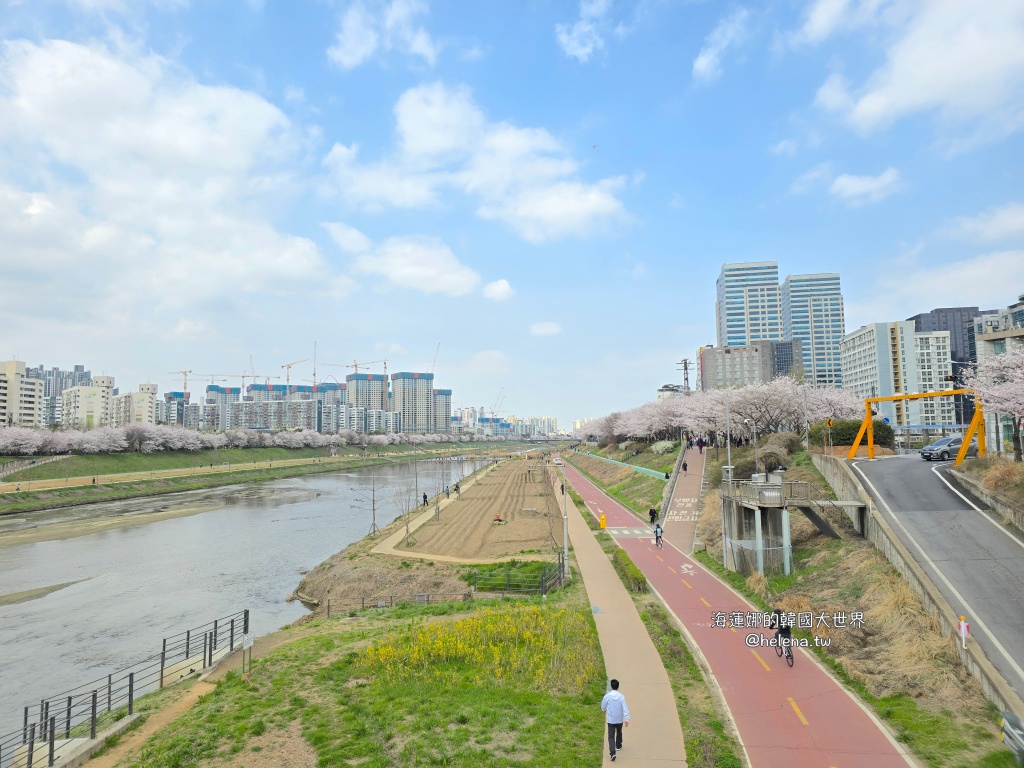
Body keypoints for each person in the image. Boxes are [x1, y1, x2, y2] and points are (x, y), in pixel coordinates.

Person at [601, 679, 630, 761]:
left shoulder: (607, 696)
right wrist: (627, 719)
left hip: (611, 720)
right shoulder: (621, 697)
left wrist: (604, 709)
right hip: (619, 719)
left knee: (611, 736)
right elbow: (625, 708)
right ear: (618, 687)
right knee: (619, 731)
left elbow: (603, 704)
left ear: (611, 686)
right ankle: (618, 745)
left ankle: (612, 753)